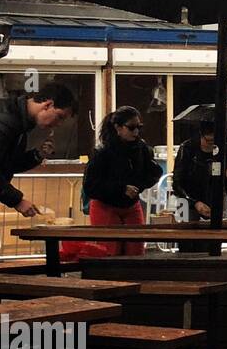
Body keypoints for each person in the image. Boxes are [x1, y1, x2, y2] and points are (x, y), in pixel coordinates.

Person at [0, 84, 76, 270]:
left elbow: (6, 164)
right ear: (47, 105)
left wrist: (37, 155)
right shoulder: (4, 118)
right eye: (59, 117)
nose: (57, 124)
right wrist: (17, 200)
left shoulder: (18, 122)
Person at [68, 106, 164, 261]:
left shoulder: (142, 148)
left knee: (136, 251)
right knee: (110, 252)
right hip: (105, 206)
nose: (136, 132)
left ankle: (134, 282)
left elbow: (154, 172)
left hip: (131, 205)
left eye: (139, 127)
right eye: (131, 128)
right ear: (118, 128)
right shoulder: (103, 152)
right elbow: (91, 186)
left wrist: (138, 186)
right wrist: (121, 189)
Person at [171, 120, 227, 222]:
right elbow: (177, 182)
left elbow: (223, 182)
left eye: (215, 141)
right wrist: (194, 202)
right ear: (201, 135)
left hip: (216, 198)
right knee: (185, 229)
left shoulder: (225, 148)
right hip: (188, 198)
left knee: (222, 228)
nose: (211, 144)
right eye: (208, 140)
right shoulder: (187, 148)